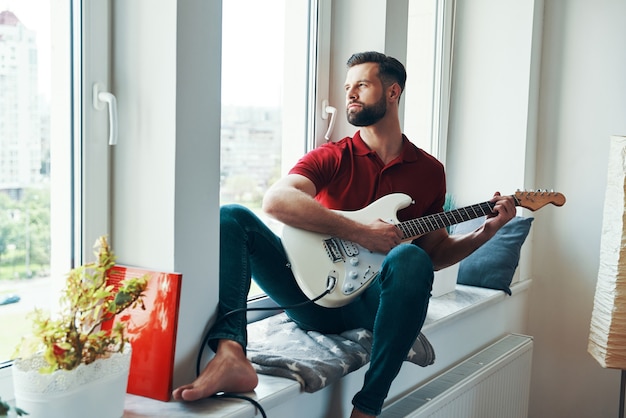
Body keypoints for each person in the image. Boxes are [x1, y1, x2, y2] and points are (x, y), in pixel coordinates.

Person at [172, 51, 516, 418]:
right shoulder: (333, 156)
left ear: (392, 92)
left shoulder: (430, 171)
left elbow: (433, 252)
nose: (350, 94)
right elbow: (276, 201)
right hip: (311, 299)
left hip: (372, 307)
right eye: (348, 87)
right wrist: (362, 233)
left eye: (362, 86)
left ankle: (367, 407)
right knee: (232, 218)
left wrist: (486, 232)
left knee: (411, 256)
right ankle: (230, 353)